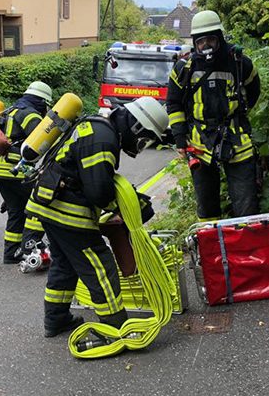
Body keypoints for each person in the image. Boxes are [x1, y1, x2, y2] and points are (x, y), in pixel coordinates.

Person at [25, 96, 169, 338]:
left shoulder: (96, 127)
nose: (141, 144)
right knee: (101, 267)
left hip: (51, 207)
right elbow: (98, 190)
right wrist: (129, 205)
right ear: (135, 126)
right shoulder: (103, 138)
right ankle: (115, 327)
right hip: (69, 214)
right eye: (144, 137)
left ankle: (56, 319)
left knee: (65, 265)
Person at [167, 10, 261, 221]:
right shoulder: (184, 67)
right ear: (194, 42)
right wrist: (180, 139)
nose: (206, 46)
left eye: (211, 39)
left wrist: (239, 117)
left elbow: (254, 91)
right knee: (207, 206)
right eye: (201, 41)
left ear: (219, 37)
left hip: (237, 141)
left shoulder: (239, 63)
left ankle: (245, 248)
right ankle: (212, 249)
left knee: (246, 204)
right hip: (199, 143)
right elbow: (173, 104)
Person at [0, 81, 53, 264]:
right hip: (17, 170)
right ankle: (30, 248)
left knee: (16, 210)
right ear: (41, 100)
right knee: (38, 206)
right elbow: (43, 141)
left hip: (0, 170)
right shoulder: (30, 114)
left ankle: (11, 254)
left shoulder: (11, 110)